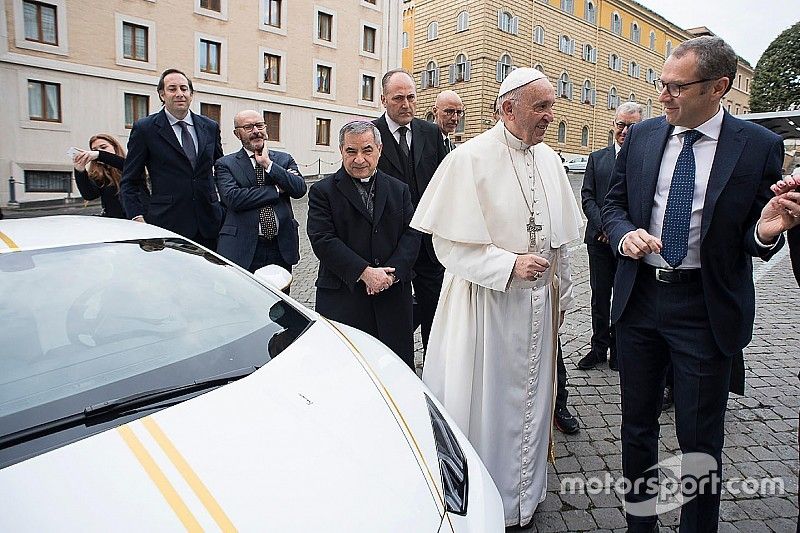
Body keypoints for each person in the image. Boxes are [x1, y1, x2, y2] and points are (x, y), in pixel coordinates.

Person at [601, 36, 792, 532]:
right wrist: (623, 236)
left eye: (676, 87)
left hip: (704, 310)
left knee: (700, 441)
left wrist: (765, 231)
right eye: (661, 84)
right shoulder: (642, 136)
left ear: (718, 88)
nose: (663, 96)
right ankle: (640, 524)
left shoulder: (758, 146)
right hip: (640, 300)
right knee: (636, 428)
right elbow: (614, 205)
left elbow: (755, 229)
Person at [411, 68, 583, 527]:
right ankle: (487, 503)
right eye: (541, 107)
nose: (551, 115)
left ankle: (525, 495)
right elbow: (447, 245)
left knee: (532, 401)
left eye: (551, 104)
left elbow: (560, 240)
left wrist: (561, 295)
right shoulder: (468, 160)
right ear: (508, 109)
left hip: (536, 308)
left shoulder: (549, 160)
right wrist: (507, 266)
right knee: (487, 406)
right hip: (484, 307)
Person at [307, 121, 421, 369]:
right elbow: (322, 240)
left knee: (395, 372)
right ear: (341, 151)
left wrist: (391, 275)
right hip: (344, 301)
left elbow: (412, 234)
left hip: (392, 300)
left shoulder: (399, 190)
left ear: (379, 149)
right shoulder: (322, 192)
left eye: (367, 150)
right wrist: (365, 273)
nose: (359, 159)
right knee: (345, 372)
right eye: (351, 151)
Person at [372, 69, 447, 354]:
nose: (406, 104)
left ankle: (434, 370)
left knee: (434, 311)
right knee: (393, 314)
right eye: (398, 98)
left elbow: (445, 182)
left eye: (411, 97)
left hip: (429, 243)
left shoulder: (430, 132)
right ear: (383, 99)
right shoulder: (370, 135)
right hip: (391, 242)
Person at [120, 68, 224, 250]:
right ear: (162, 94)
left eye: (184, 89)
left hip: (210, 223)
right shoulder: (145, 129)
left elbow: (221, 169)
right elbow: (130, 181)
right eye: (172, 89)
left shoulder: (210, 127)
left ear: (191, 94)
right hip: (167, 224)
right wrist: (137, 217)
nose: (179, 94)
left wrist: (224, 207)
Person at [577, 102, 642, 371]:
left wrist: (619, 232)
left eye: (631, 126)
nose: (625, 131)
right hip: (598, 241)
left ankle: (619, 349)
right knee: (600, 296)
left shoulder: (643, 161)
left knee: (624, 297)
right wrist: (605, 227)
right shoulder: (597, 158)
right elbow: (587, 197)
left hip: (627, 244)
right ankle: (598, 348)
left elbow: (641, 203)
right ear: (613, 125)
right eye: (620, 125)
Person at [215, 110, 306, 276]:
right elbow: (233, 198)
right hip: (242, 247)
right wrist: (277, 189)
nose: (256, 131)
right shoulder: (225, 164)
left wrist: (268, 164)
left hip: (280, 247)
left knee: (279, 299)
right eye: (248, 127)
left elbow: (299, 189)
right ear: (237, 134)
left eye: (259, 125)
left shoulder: (284, 160)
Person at [72, 133, 147, 219]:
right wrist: (80, 170)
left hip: (140, 220)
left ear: (115, 147)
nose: (99, 151)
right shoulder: (99, 173)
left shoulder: (129, 164)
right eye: (94, 150)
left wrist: (99, 155)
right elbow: (90, 195)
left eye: (103, 147)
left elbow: (126, 166)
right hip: (115, 224)